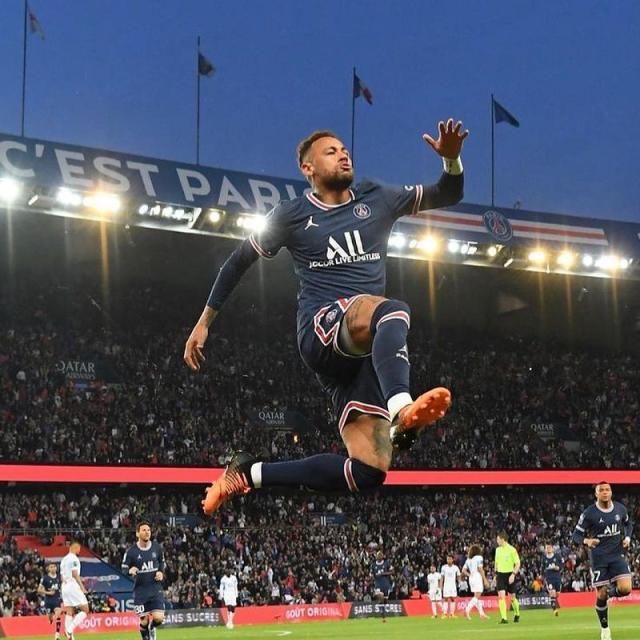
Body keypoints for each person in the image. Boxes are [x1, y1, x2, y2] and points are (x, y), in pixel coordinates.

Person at [184, 120, 468, 514]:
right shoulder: (292, 214)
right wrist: (204, 322)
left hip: (358, 356)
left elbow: (447, 193)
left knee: (369, 471)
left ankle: (249, 473)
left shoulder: (376, 196)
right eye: (331, 151)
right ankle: (401, 409)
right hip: (321, 328)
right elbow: (237, 262)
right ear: (308, 169)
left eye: (344, 149)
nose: (343, 154)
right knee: (392, 310)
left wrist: (451, 159)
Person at [572, 481, 632, 640]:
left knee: (626, 588)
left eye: (608, 489)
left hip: (617, 555)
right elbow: (576, 536)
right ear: (596, 494)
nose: (605, 492)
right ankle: (605, 628)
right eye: (602, 490)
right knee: (601, 594)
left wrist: (627, 537)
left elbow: (628, 523)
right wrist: (587, 541)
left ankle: (610, 595)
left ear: (611, 492)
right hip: (599, 558)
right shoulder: (589, 513)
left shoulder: (620, 508)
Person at [122, 522, 166, 640]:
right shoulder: (131, 551)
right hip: (140, 591)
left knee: (159, 618)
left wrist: (161, 572)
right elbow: (124, 568)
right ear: (137, 533)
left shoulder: (157, 547)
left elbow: (162, 562)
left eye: (148, 530)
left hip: (155, 589)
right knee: (144, 621)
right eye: (144, 530)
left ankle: (153, 627)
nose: (147, 532)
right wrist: (130, 570)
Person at [60, 541, 89, 640]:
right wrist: (82, 588)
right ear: (75, 547)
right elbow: (75, 574)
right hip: (73, 585)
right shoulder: (74, 559)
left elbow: (62, 577)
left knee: (69, 611)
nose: (79, 550)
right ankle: (69, 629)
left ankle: (70, 637)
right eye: (79, 547)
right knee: (85, 609)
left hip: (65, 586)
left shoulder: (63, 560)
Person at [494, 531, 521, 625]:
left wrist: (513, 574)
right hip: (500, 575)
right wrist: (495, 574)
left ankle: (517, 614)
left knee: (512, 598)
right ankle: (504, 618)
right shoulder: (497, 550)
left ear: (503, 539)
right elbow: (496, 563)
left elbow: (518, 563)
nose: (497, 541)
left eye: (498, 539)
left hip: (510, 574)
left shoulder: (512, 550)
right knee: (501, 596)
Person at [462, 544, 489, 619]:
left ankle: (481, 614)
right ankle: (467, 610)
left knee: (476, 596)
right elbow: (480, 569)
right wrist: (485, 579)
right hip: (477, 576)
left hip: (471, 578)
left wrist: (469, 575)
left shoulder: (468, 560)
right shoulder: (479, 557)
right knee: (477, 595)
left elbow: (463, 570)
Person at [38, 562, 63, 639]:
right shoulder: (45, 578)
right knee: (50, 618)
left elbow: (62, 585)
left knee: (58, 613)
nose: (53, 568)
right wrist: (48, 592)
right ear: (48, 569)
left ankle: (57, 634)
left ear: (56, 568)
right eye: (51, 567)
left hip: (57, 599)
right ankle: (52, 618)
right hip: (48, 601)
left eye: (54, 567)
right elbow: (39, 590)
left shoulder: (59, 577)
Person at [542, 543, 563, 616]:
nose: (548, 549)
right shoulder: (544, 559)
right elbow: (542, 569)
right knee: (552, 593)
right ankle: (555, 610)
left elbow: (561, 565)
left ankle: (552, 599)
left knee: (557, 594)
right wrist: (543, 577)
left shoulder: (557, 556)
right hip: (549, 579)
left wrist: (558, 568)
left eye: (549, 547)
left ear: (552, 548)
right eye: (547, 548)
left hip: (557, 578)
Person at [371, 550, 393, 621]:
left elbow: (392, 572)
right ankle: (383, 617)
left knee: (385, 600)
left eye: (381, 555)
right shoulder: (373, 565)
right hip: (378, 584)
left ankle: (383, 611)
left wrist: (383, 574)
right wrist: (373, 577)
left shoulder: (387, 563)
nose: (379, 556)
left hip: (386, 584)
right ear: (376, 557)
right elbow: (371, 575)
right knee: (381, 598)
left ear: (382, 556)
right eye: (378, 555)